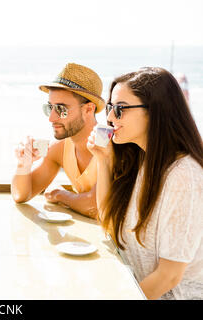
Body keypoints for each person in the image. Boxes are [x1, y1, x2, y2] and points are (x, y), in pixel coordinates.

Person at [87, 67, 203, 300]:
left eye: (119, 109)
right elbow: (109, 222)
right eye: (110, 108)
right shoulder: (142, 159)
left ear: (155, 111)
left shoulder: (184, 176)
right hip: (137, 289)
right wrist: (104, 161)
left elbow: (169, 276)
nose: (109, 118)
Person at [11, 63, 105, 218]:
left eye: (61, 109)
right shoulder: (60, 149)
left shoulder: (107, 143)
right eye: (50, 108)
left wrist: (60, 194)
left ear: (89, 109)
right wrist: (23, 165)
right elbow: (20, 196)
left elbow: (94, 206)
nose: (51, 118)